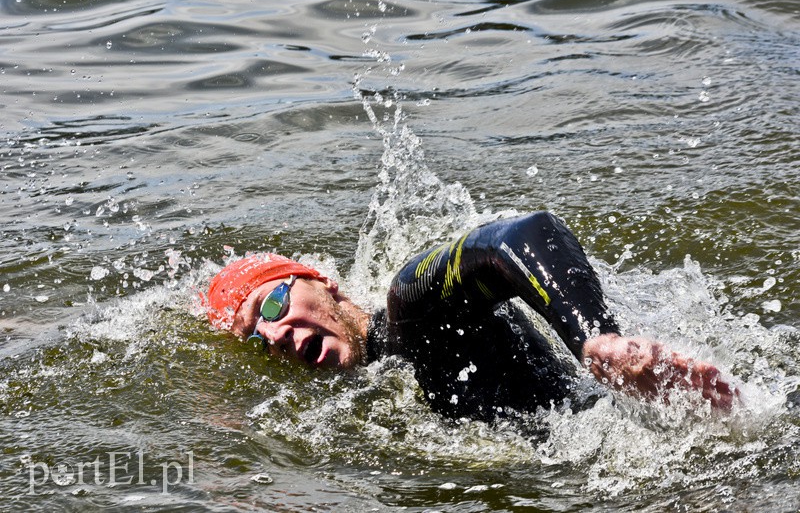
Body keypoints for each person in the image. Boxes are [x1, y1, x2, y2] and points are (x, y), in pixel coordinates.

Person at [204, 211, 737, 420]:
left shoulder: (413, 311)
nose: (273, 334)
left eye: (271, 304)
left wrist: (599, 342)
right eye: (255, 339)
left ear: (321, 280)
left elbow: (519, 235)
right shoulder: (367, 394)